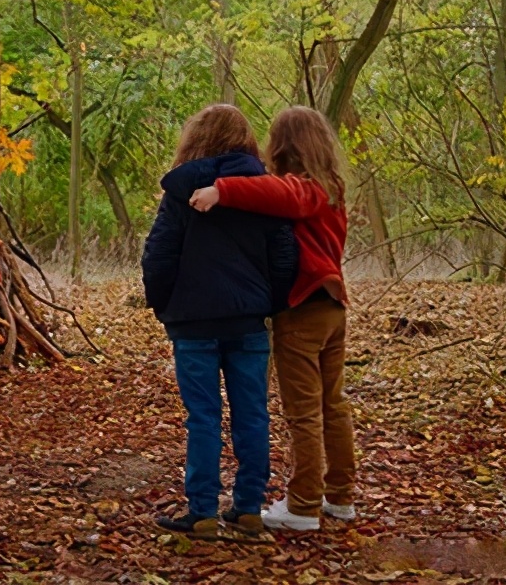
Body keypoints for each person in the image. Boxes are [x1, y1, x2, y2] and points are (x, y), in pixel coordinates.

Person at [190, 105, 356, 532]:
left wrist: (221, 191)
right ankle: (339, 496)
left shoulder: (306, 189)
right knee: (332, 405)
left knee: (304, 411)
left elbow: (280, 194)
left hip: (304, 310)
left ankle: (303, 506)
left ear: (284, 146)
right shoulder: (332, 187)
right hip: (332, 308)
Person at [141, 104, 297, 537]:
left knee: (203, 416)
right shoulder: (263, 192)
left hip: (193, 323)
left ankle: (204, 511)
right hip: (247, 321)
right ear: (246, 142)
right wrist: (271, 303)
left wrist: (165, 306)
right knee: (252, 413)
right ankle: (248, 507)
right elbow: (284, 254)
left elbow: (158, 255)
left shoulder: (181, 192)